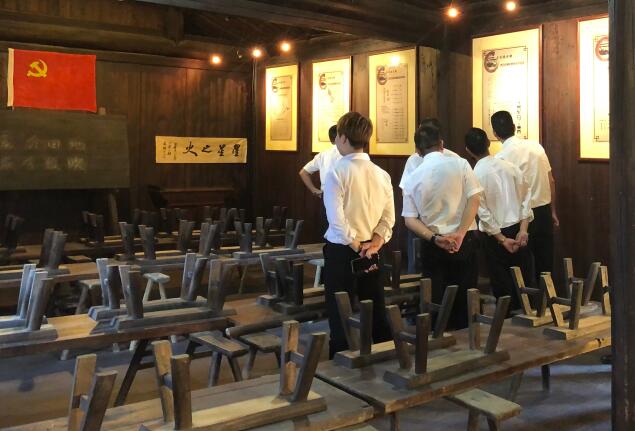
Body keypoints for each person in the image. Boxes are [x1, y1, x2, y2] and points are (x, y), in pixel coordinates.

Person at [322, 112, 395, 358]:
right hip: (372, 251)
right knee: (375, 307)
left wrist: (357, 245)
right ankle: (386, 356)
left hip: (343, 251)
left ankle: (340, 361)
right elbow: (388, 218)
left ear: (343, 137)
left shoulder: (336, 172)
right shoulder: (381, 174)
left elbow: (337, 221)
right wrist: (374, 244)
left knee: (339, 311)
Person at [402, 124, 482, 329]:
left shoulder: (413, 177)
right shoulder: (461, 164)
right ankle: (468, 341)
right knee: (465, 301)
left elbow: (410, 220)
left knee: (436, 301)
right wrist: (460, 234)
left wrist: (435, 238)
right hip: (464, 241)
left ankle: (438, 342)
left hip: (433, 243)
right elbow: (474, 199)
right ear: (442, 144)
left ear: (418, 150)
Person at [465, 127, 534, 311]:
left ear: (468, 151)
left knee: (503, 288)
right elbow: (526, 197)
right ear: (489, 143)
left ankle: (507, 321)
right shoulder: (510, 167)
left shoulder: (475, 175)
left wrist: (502, 239)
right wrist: (523, 229)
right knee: (525, 283)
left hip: (496, 236)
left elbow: (483, 213)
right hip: (518, 230)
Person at [491, 111, 559, 284]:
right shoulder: (536, 147)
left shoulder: (500, 158)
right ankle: (547, 298)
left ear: (495, 133)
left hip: (520, 217)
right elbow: (551, 180)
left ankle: (527, 299)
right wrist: (553, 211)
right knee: (545, 263)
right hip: (543, 210)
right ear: (514, 127)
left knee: (522, 266)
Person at [399, 118, 459, 273]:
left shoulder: (414, 159)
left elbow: (406, 193)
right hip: (454, 224)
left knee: (424, 271)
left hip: (421, 223)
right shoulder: (456, 158)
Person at [299, 125, 341, 235]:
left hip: (326, 196)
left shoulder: (323, 155)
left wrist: (314, 190)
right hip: (344, 198)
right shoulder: (348, 155)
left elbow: (303, 172)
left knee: (329, 232)